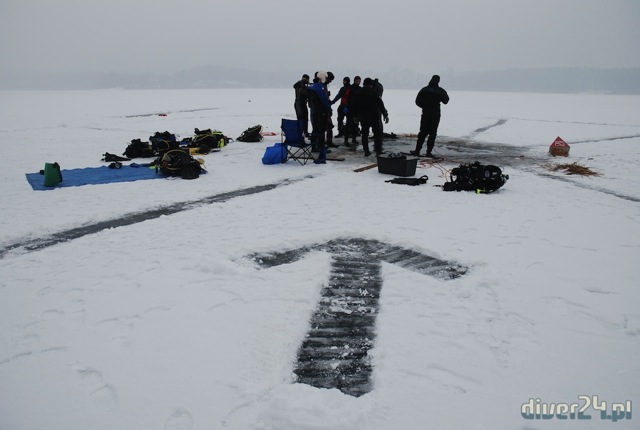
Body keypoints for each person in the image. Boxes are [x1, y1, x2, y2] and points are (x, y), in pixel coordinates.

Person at [410, 74, 449, 158]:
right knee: (432, 133)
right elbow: (446, 101)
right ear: (438, 81)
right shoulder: (440, 91)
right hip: (435, 114)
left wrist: (424, 106)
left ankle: (417, 150)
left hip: (425, 113)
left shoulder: (424, 89)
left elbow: (417, 102)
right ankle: (428, 152)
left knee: (422, 132)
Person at [351, 77, 389, 156]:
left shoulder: (358, 92)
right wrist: (385, 114)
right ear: (371, 85)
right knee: (377, 134)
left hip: (363, 117)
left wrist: (355, 116)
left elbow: (354, 105)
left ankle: (366, 151)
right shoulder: (374, 92)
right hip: (374, 116)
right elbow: (380, 104)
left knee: (365, 134)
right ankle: (378, 150)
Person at [307, 72, 333, 163]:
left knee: (315, 131)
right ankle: (322, 156)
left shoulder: (313, 87)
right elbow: (324, 100)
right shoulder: (320, 87)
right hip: (321, 113)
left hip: (315, 112)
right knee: (321, 133)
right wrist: (329, 109)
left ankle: (314, 147)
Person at [344, 76, 362, 145]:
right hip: (350, 109)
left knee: (355, 125)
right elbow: (345, 98)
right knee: (348, 125)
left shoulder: (360, 89)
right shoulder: (350, 88)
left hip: (357, 111)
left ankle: (354, 139)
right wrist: (345, 107)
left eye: (359, 81)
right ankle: (346, 140)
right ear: (354, 81)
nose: (358, 82)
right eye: (357, 81)